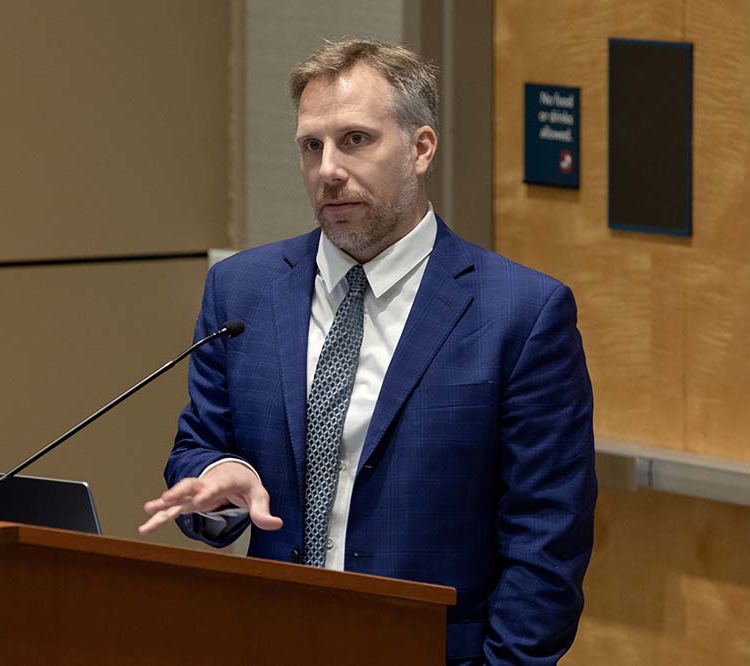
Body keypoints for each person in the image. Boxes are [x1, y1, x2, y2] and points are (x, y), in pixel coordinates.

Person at [140, 38, 596, 666]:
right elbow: (199, 445)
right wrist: (219, 482)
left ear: (421, 148)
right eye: (311, 145)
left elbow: (547, 541)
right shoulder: (242, 290)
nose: (328, 168)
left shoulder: (520, 313)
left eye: (355, 139)